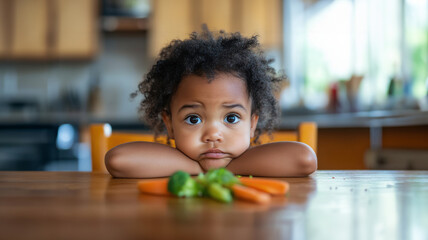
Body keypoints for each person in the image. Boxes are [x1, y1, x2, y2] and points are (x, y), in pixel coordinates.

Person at [105, 27, 317, 178]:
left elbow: (305, 159)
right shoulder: (169, 160)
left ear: (252, 124)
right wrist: (199, 168)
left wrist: (224, 168)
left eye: (231, 118)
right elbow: (118, 160)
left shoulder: (257, 160)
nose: (213, 135)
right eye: (193, 119)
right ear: (169, 124)